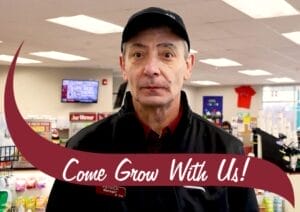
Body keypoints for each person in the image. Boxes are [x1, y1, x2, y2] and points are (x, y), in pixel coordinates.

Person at [46, 7, 259, 212]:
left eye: (167, 54)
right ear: (123, 66)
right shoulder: (84, 149)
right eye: (138, 55)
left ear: (188, 65)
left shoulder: (226, 152)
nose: (151, 69)